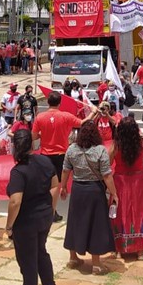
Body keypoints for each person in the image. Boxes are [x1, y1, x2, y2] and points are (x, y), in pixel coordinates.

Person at [5, 129, 61, 285]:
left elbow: (15, 201)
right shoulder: (45, 161)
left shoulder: (18, 171)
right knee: (41, 253)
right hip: (44, 216)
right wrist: (51, 210)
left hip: (26, 222)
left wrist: (9, 226)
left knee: (28, 261)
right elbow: (55, 186)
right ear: (32, 144)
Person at [60, 121, 118, 275]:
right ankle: (96, 264)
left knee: (74, 222)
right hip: (95, 190)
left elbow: (65, 170)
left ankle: (73, 258)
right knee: (96, 225)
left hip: (78, 189)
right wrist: (114, 193)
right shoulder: (100, 150)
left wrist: (63, 187)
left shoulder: (71, 149)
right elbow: (106, 175)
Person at [109, 117, 143, 258]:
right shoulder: (141, 143)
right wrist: (140, 134)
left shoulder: (116, 145)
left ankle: (118, 247)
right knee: (139, 212)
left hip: (120, 180)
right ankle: (140, 249)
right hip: (139, 181)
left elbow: (108, 161)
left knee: (119, 212)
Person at [32, 91, 82, 222]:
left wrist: (44, 134)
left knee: (46, 185)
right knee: (56, 186)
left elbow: (33, 136)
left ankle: (46, 210)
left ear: (48, 102)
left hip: (44, 155)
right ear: (60, 103)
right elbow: (82, 123)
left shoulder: (40, 117)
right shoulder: (65, 116)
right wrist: (94, 113)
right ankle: (51, 212)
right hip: (60, 155)